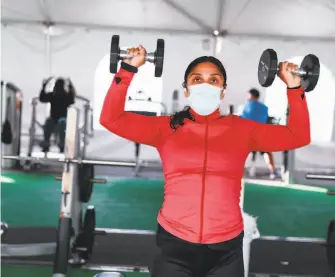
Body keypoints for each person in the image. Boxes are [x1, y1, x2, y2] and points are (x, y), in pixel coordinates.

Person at [100, 45, 311, 277]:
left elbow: (298, 135)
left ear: (223, 91)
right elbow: (111, 119)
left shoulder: (242, 130)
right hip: (175, 243)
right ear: (187, 89)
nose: (205, 85)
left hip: (226, 248)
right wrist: (128, 68)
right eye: (197, 79)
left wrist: (294, 86)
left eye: (213, 80)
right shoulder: (166, 127)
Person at [240, 88, 279, 179]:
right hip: (260, 137)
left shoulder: (246, 107)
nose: (247, 98)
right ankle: (272, 171)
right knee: (267, 152)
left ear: (252, 96)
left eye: (248, 96)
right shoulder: (264, 108)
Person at [39, 77, 75, 153]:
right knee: (49, 121)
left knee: (61, 123)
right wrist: (70, 86)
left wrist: (44, 86)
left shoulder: (61, 96)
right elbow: (42, 99)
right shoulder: (54, 95)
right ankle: (47, 143)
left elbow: (72, 99)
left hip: (61, 119)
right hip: (54, 118)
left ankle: (61, 144)